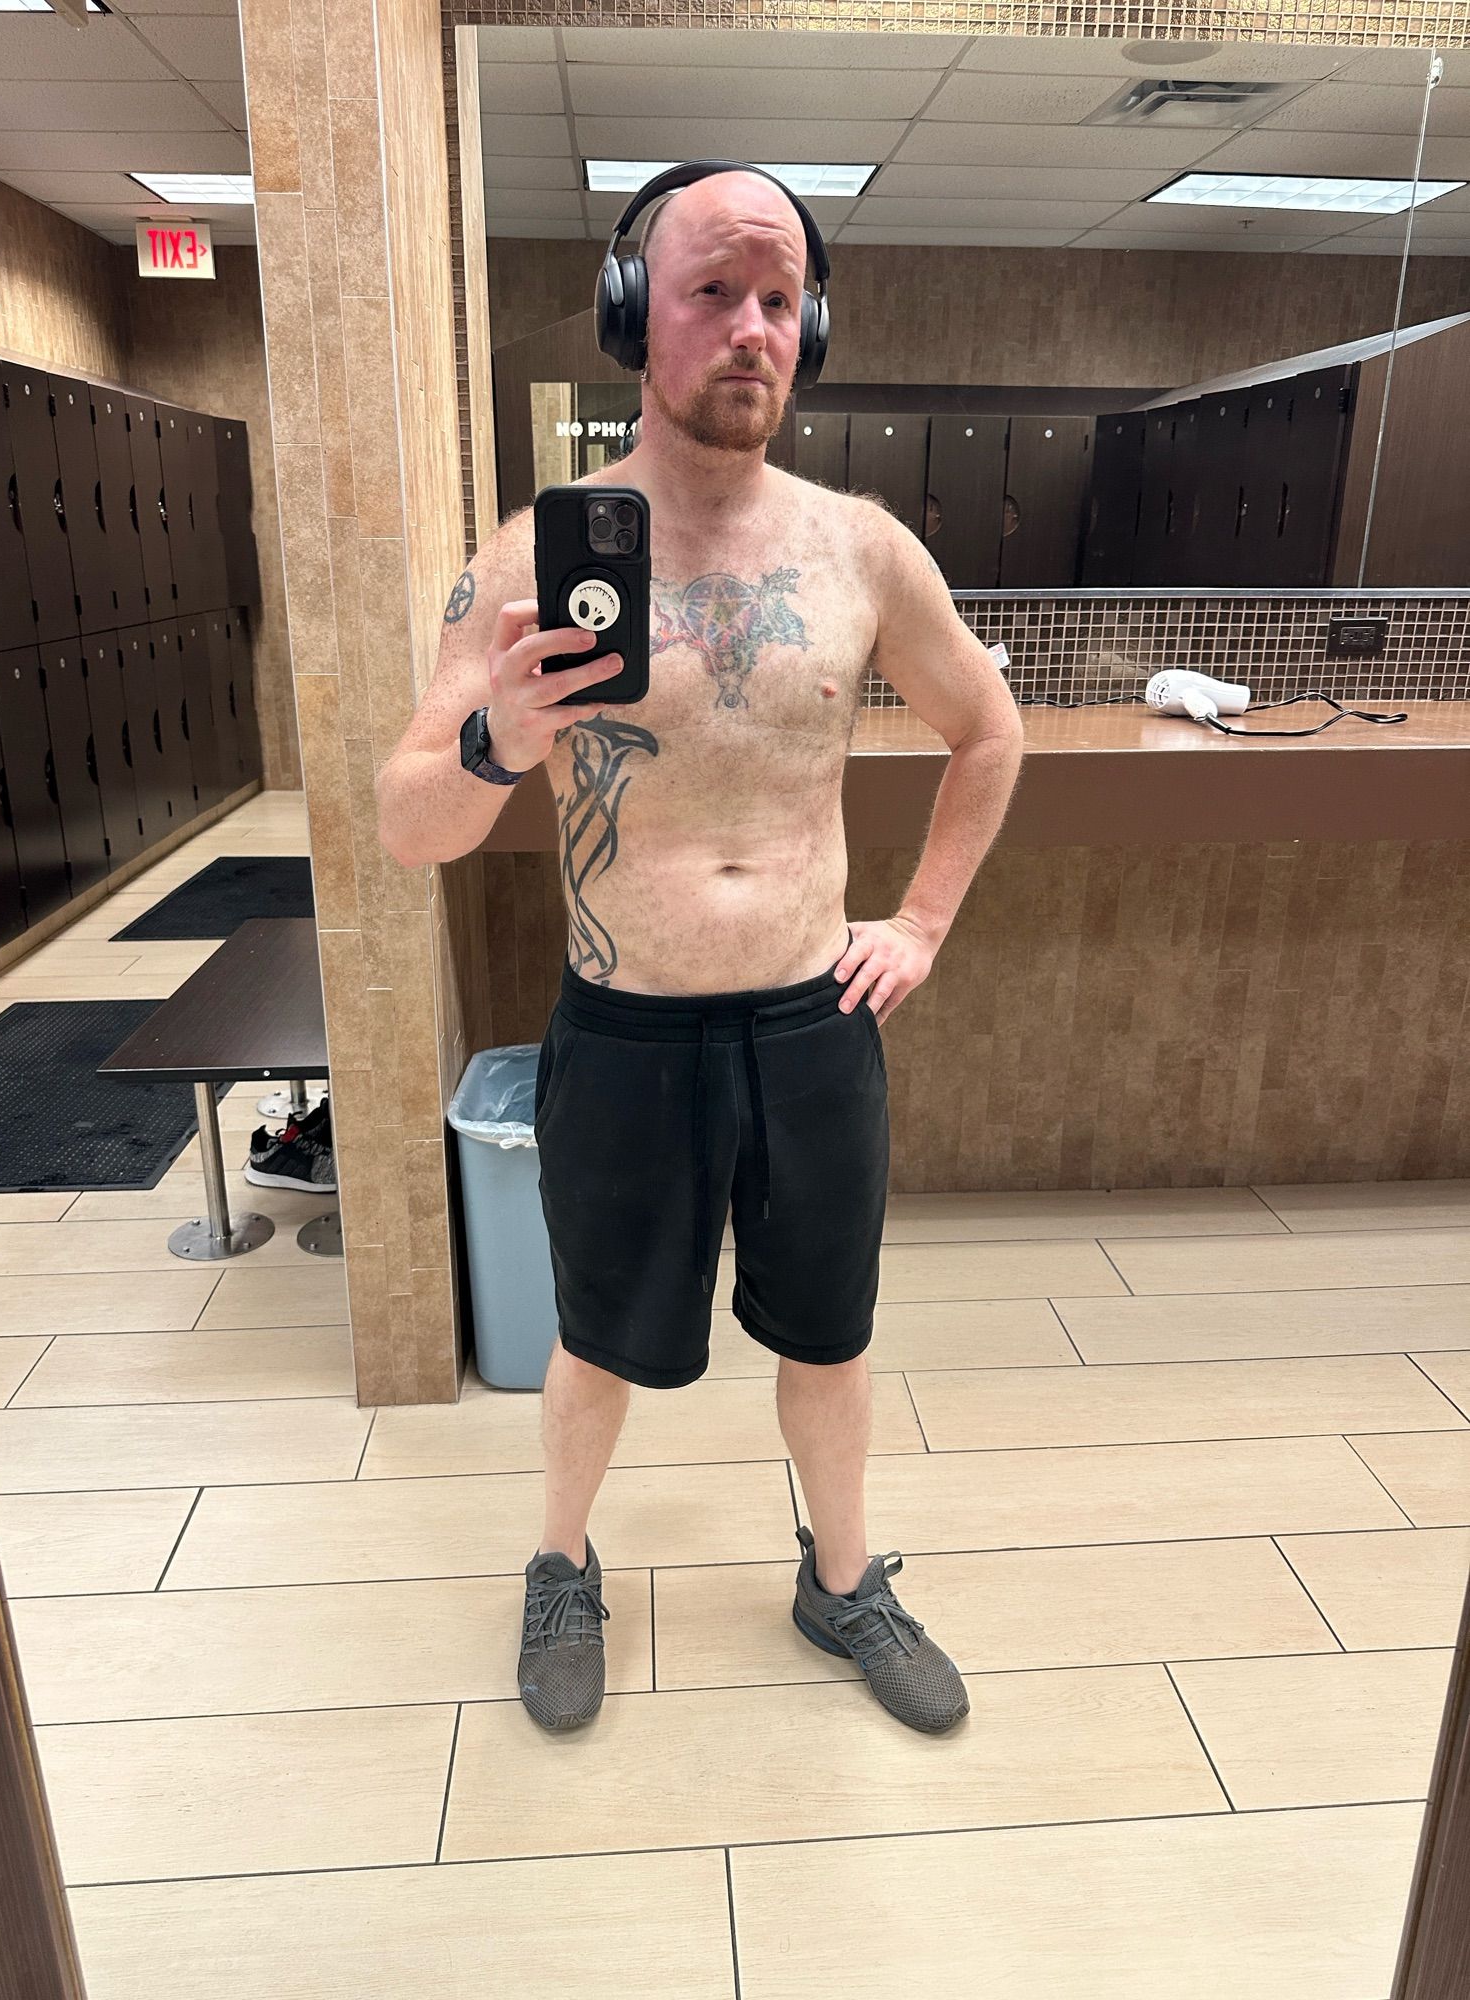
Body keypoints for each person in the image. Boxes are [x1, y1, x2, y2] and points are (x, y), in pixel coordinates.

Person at [376, 165, 1024, 1737]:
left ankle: (843, 1579)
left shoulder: (865, 552)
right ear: (629, 314)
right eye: (712, 291)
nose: (752, 328)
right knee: (596, 1335)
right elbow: (405, 821)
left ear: (812, 329)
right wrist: (493, 739)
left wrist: (921, 922)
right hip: (628, 1027)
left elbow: (988, 731)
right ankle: (560, 1559)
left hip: (813, 1030)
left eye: (780, 300)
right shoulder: (530, 560)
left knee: (832, 1328)